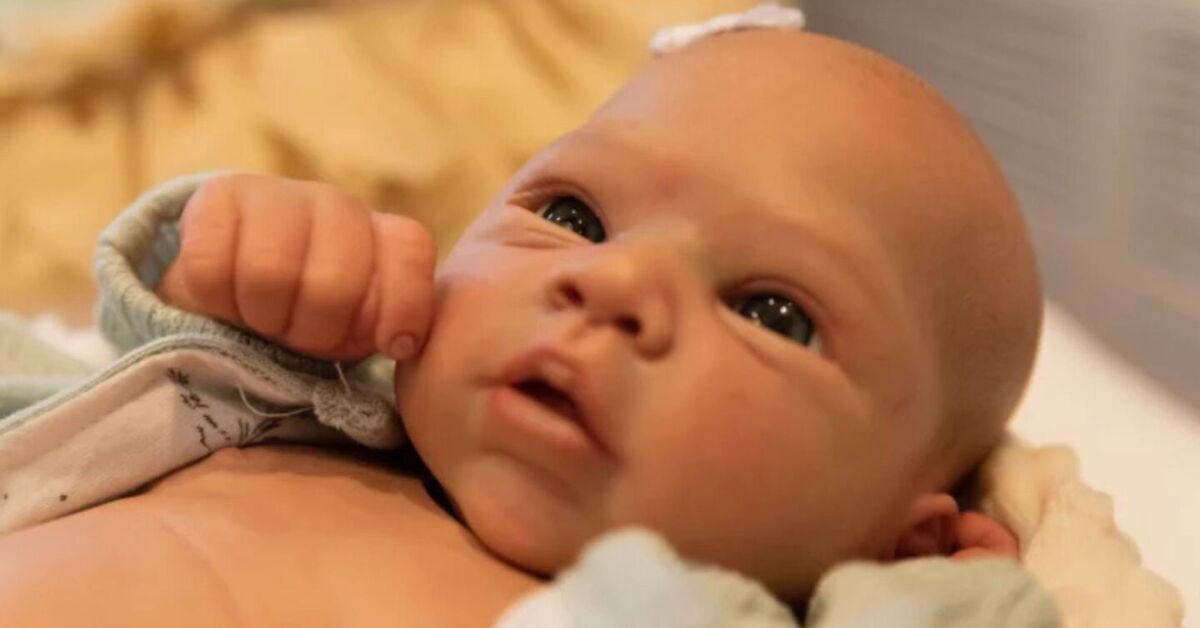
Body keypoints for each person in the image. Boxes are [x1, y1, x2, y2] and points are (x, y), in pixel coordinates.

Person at [0, 23, 1041, 627]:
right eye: (573, 217)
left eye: (771, 311)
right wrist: (251, 262)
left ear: (898, 542)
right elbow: (133, 362)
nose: (611, 282)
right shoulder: (323, 397)